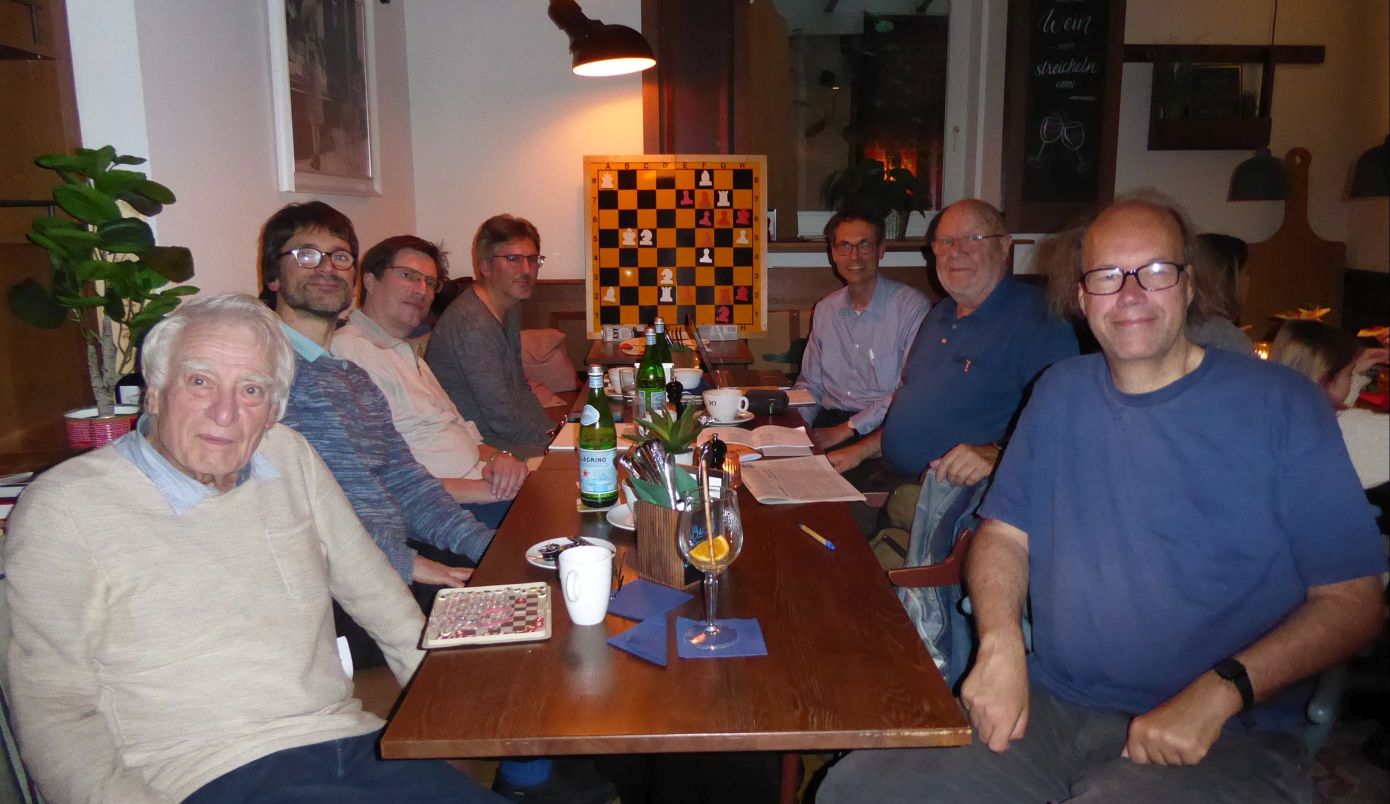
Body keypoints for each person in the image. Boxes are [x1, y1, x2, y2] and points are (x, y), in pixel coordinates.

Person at [820, 195, 1385, 803]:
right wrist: (1001, 646)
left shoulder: (1282, 404)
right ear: (1082, 296)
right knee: (855, 789)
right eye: (1108, 275)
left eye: (1155, 271)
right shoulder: (1059, 392)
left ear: (1189, 285)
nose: (1130, 294)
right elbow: (1004, 533)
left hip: (1227, 731)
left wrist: (1223, 690)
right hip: (1053, 705)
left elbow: (1353, 602)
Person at [4, 294, 499, 803]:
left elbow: (379, 597)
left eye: (252, 390)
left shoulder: (289, 455)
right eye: (200, 381)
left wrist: (456, 715)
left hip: (350, 742)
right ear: (154, 392)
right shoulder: (67, 505)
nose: (225, 412)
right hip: (208, 773)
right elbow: (55, 709)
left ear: (273, 410)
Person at [260, 201, 491, 592]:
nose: (326, 268)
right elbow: (297, 510)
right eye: (306, 255)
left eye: (339, 257)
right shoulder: (262, 372)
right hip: (330, 584)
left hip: (388, 558)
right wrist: (404, 563)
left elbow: (407, 482)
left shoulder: (351, 377)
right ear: (273, 276)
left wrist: (487, 546)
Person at [831, 198, 1078, 484]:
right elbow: (918, 410)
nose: (955, 252)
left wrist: (997, 454)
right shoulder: (939, 314)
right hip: (892, 475)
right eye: (945, 242)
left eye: (972, 239)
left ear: (1004, 247)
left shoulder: (1039, 318)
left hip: (961, 495)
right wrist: (861, 450)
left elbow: (1066, 428)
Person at [332, 235, 529, 528]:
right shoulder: (350, 351)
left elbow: (462, 432)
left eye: (429, 282)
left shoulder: (406, 352)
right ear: (370, 281)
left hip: (481, 482)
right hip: (444, 508)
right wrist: (482, 491)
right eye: (408, 276)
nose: (421, 290)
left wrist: (500, 459)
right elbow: (379, 475)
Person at [794, 209, 929, 454]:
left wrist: (849, 428)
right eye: (844, 246)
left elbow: (910, 389)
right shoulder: (825, 309)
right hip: (829, 420)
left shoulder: (911, 307)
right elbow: (810, 384)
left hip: (885, 427)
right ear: (833, 252)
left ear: (881, 249)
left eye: (864, 245)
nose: (854, 255)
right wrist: (796, 427)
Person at [427, 215, 558, 458]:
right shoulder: (472, 323)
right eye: (513, 259)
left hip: (500, 437)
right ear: (485, 267)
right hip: (478, 446)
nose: (527, 270)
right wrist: (553, 446)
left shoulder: (508, 311)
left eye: (532, 259)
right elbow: (501, 416)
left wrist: (554, 433)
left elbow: (520, 389)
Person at [1271, 319, 1389, 488]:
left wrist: (1353, 370)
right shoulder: (1352, 429)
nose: (1351, 381)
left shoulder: (1279, 418)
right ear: (1324, 379)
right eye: (1348, 375)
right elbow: (1353, 428)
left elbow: (1329, 399)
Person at [1189, 232, 1254, 354]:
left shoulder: (1178, 328)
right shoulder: (1231, 342)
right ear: (1229, 279)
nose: (1248, 279)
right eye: (1246, 271)